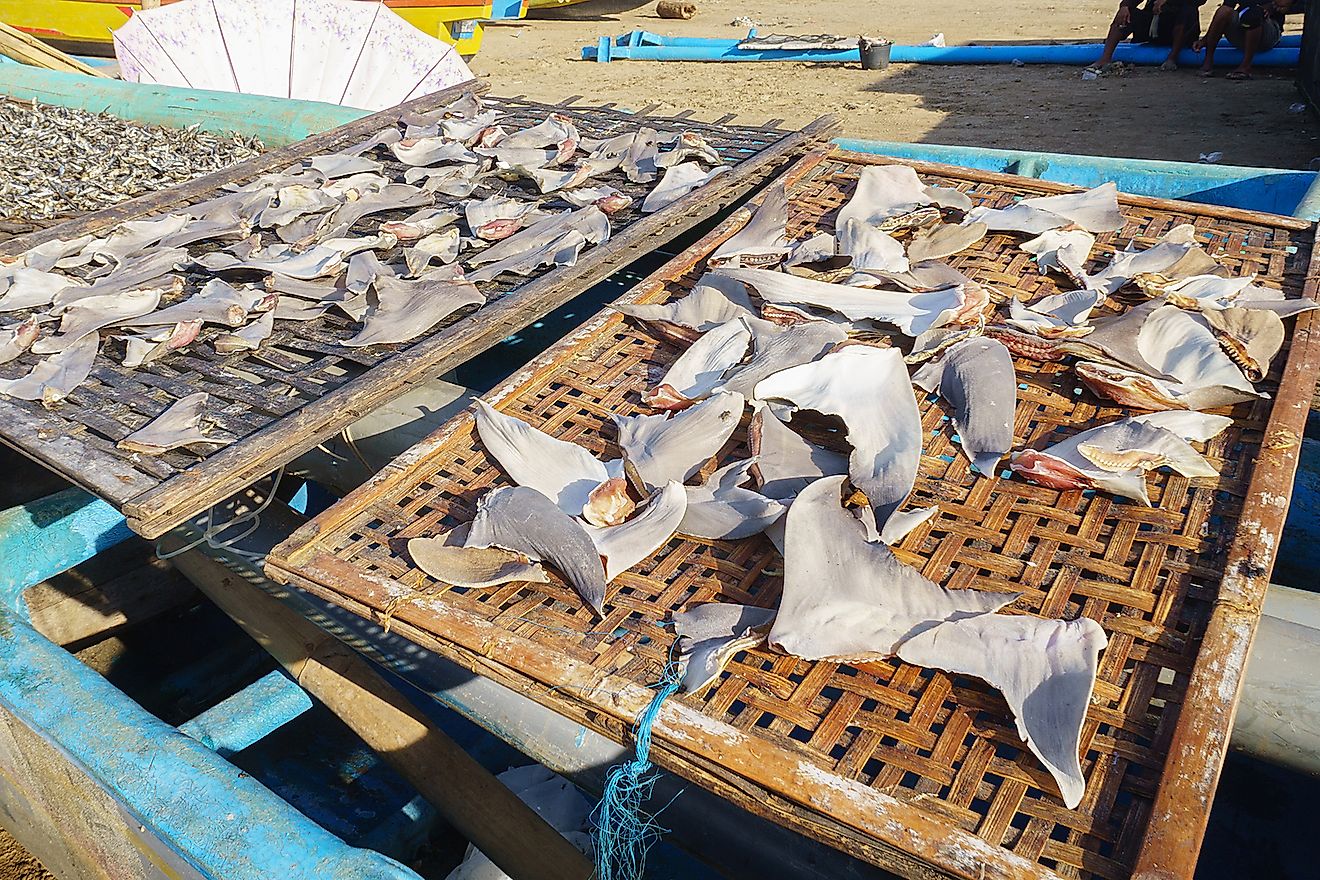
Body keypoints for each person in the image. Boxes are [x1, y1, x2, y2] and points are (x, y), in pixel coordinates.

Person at [1092, 0, 1206, 73]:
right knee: (1126, 12)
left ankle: (1172, 58)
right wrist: (1125, 6)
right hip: (1154, 25)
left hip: (1180, 28)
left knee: (1187, 12)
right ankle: (1105, 58)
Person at [1195, 1, 1290, 79]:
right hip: (1242, 29)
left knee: (1254, 13)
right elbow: (1227, 6)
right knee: (1223, 11)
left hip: (1268, 32)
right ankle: (1208, 60)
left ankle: (1245, 66)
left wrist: (1271, 7)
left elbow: (1285, 4)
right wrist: (1205, 39)